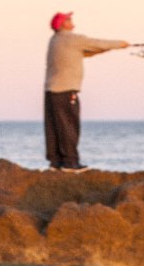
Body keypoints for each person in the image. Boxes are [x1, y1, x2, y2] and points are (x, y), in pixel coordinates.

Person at [44, 11, 130, 170]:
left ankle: (55, 162)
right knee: (70, 126)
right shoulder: (73, 39)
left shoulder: (55, 40)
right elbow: (97, 43)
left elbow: (85, 52)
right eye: (69, 19)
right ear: (63, 24)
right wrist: (121, 44)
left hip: (51, 91)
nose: (72, 21)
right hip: (66, 90)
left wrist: (106, 49)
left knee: (54, 128)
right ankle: (71, 163)